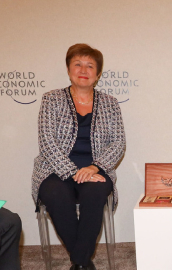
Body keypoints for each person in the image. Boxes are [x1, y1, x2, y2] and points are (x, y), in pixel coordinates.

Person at [31, 44, 126, 270]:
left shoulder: (110, 103)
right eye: (78, 64)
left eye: (90, 66)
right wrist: (73, 172)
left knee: (94, 195)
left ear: (98, 74)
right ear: (68, 69)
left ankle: (79, 262)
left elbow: (118, 143)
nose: (83, 70)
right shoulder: (51, 99)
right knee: (56, 196)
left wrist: (94, 168)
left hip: (95, 170)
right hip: (54, 170)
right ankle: (83, 262)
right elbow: (47, 142)